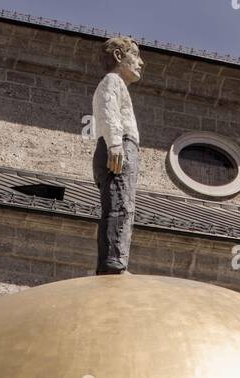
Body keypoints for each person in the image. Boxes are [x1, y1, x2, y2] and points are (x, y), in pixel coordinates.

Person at [91, 35, 144, 275]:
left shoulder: (118, 84)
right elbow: (108, 111)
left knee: (124, 205)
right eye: (136, 55)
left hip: (123, 147)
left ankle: (116, 260)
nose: (141, 63)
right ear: (119, 56)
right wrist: (115, 145)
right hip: (118, 147)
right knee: (118, 204)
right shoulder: (112, 81)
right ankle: (113, 263)